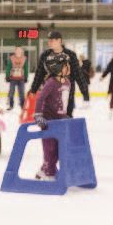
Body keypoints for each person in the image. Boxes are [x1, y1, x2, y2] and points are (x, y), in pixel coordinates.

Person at [29, 31, 89, 117]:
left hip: (67, 91)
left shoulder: (70, 55)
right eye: (48, 41)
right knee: (49, 116)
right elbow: (39, 73)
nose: (49, 43)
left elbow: (78, 74)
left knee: (66, 116)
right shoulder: (45, 55)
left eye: (52, 40)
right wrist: (33, 89)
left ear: (59, 41)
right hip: (50, 92)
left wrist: (84, 91)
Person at [33, 52, 71, 180]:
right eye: (66, 65)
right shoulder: (51, 82)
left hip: (60, 121)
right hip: (48, 121)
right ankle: (48, 172)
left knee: (59, 149)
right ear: (57, 68)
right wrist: (38, 114)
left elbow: (64, 101)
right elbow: (40, 98)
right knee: (50, 148)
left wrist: (65, 115)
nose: (68, 67)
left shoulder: (67, 82)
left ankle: (45, 169)